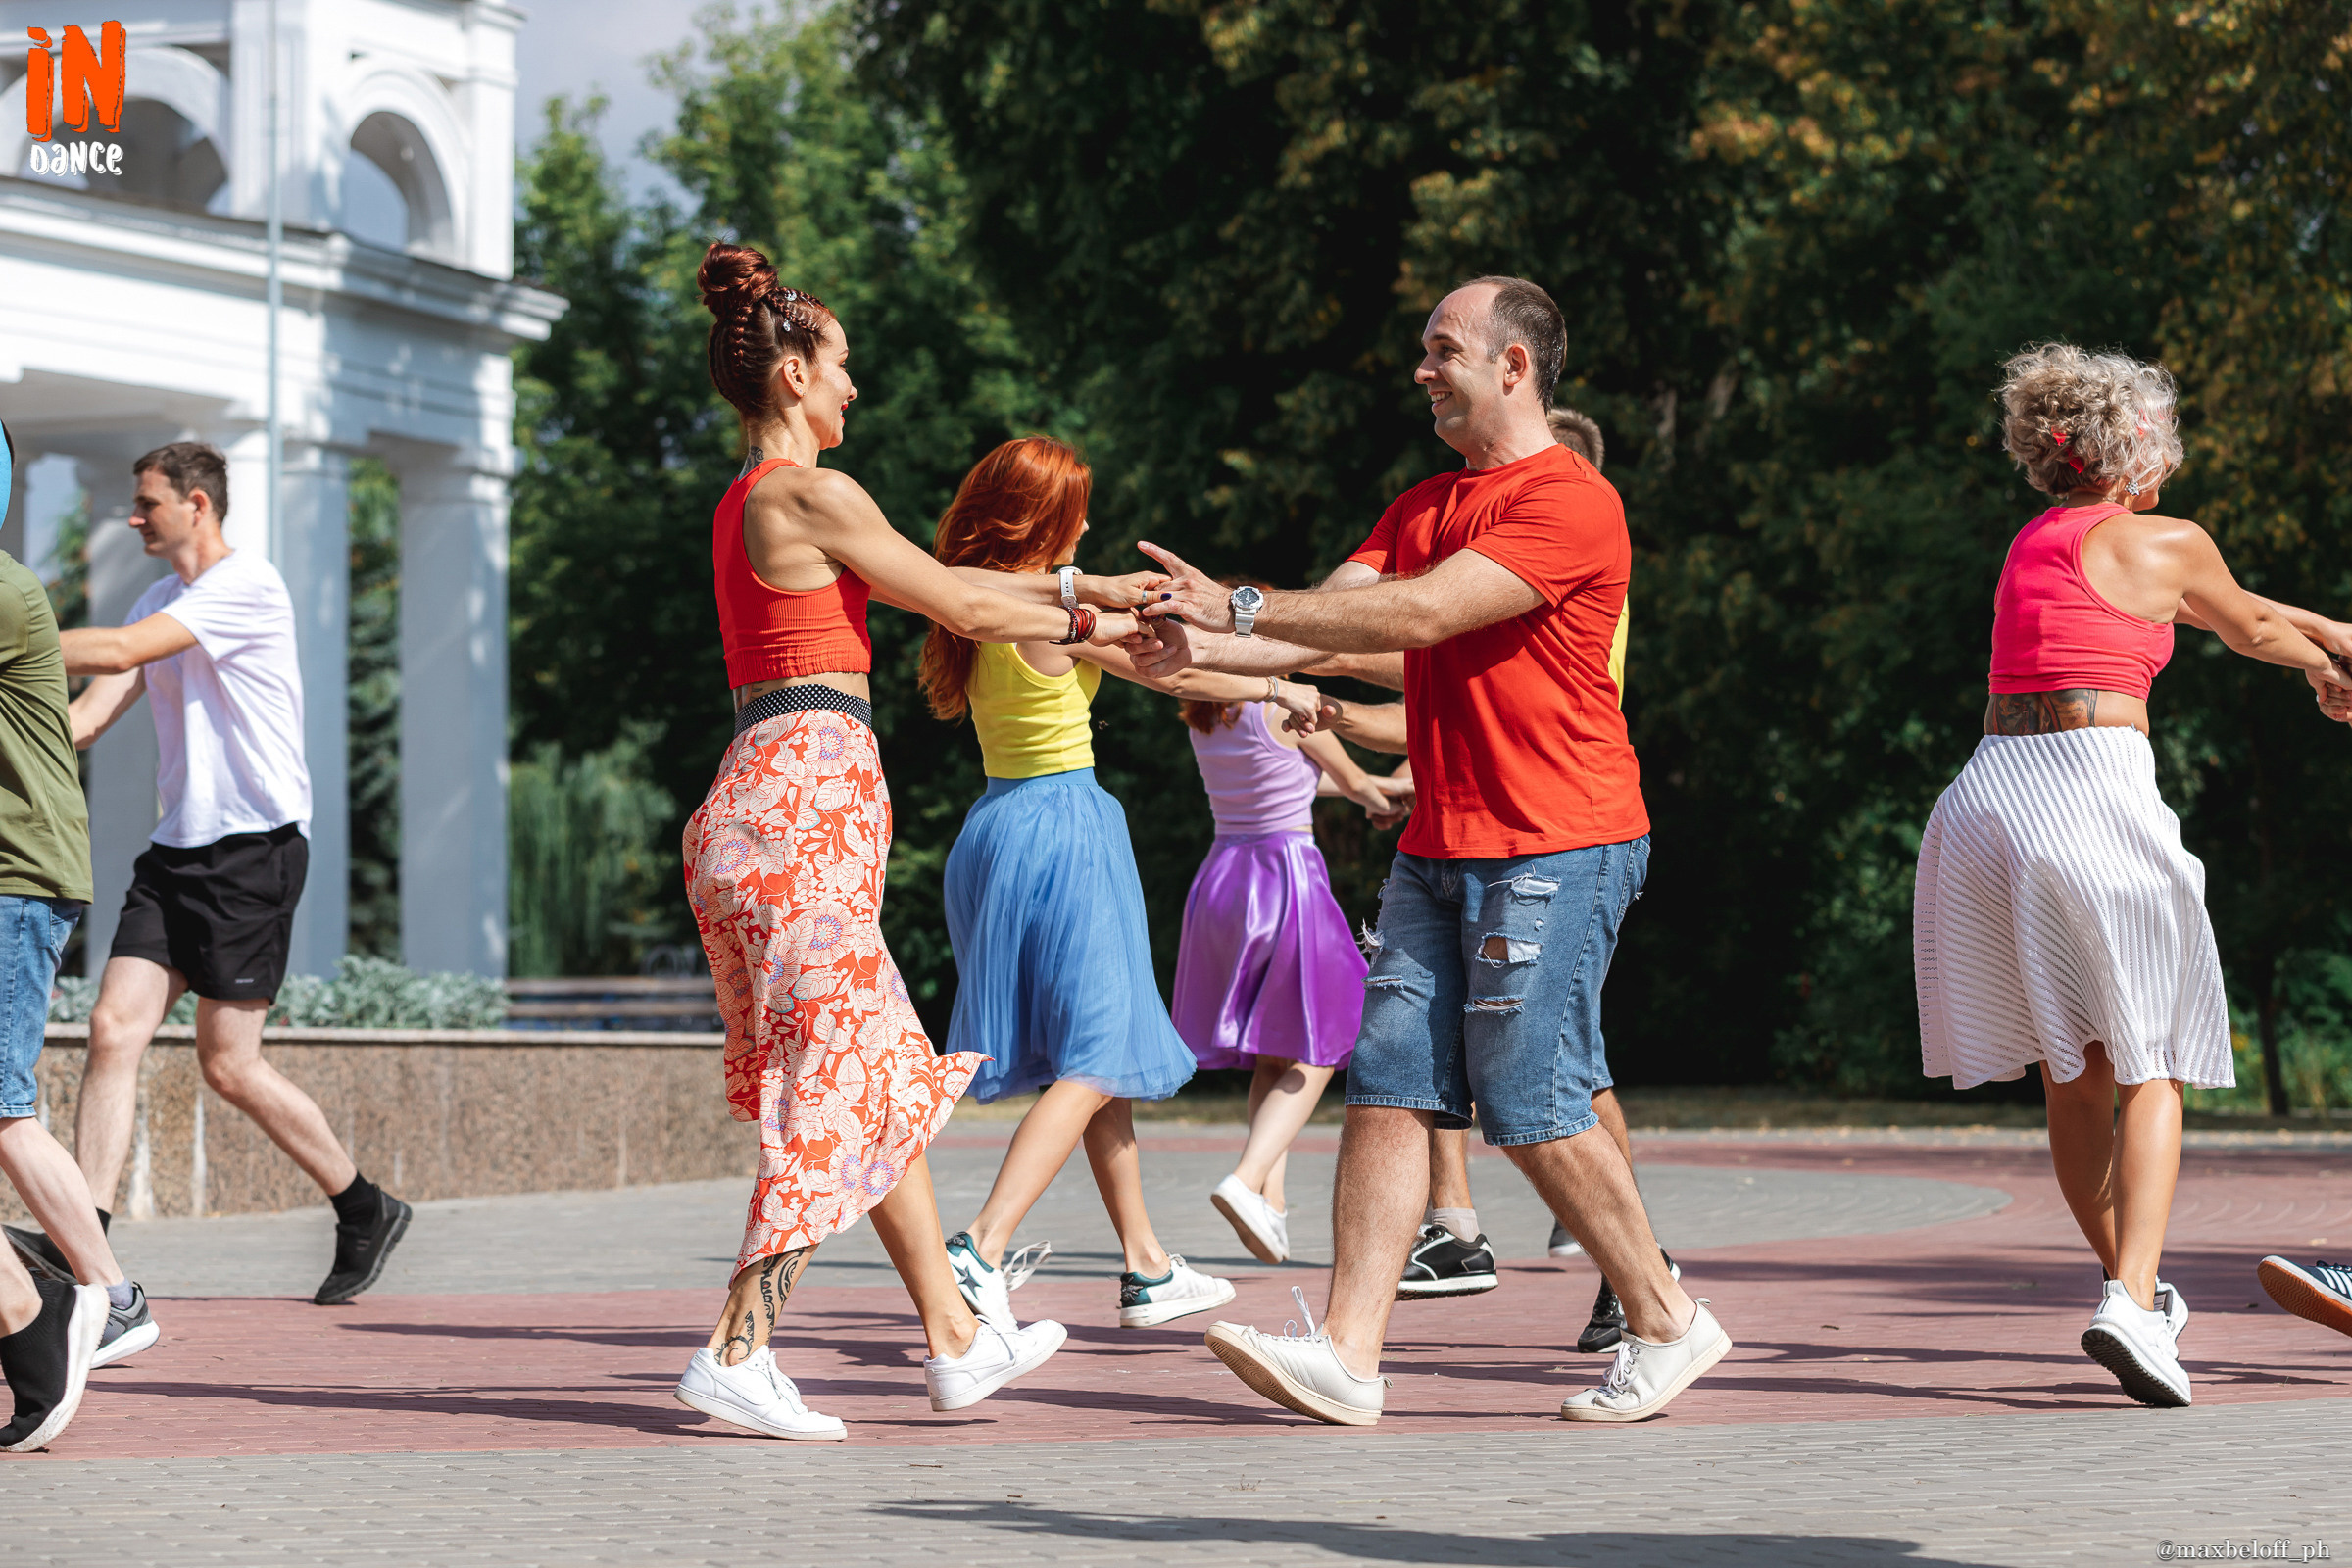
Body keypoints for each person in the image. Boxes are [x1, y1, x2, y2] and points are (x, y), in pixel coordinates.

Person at [1136, 275, 1727, 1425]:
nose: (1421, 369)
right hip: (1441, 841)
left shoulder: (1571, 501)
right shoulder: (1420, 504)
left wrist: (1237, 611)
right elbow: (1322, 629)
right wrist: (1182, 644)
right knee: (1390, 1080)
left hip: (1555, 840)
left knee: (1529, 1094)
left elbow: (1418, 616)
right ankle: (1348, 1354)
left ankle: (1665, 1316)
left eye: (1442, 349)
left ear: (1515, 365)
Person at [673, 247, 1152, 1440]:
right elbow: (967, 601)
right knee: (838, 1080)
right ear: (793, 373)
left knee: (881, 1077)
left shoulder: (745, 503)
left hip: (768, 802)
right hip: (801, 807)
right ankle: (736, 1350)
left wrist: (1088, 599)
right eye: (841, 367)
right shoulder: (806, 492)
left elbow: (962, 594)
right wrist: (1112, 597)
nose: (853, 388)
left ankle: (955, 1339)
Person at [1915, 342, 2352, 1409]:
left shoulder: (2037, 542)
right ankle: (2133, 1300)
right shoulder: (2170, 541)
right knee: (2154, 1060)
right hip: (2090, 790)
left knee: (2076, 1071)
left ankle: (2136, 1293)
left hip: (1988, 798)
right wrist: (2330, 667)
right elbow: (2247, 622)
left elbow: (2217, 605)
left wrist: (2336, 639)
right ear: (2136, 448)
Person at [920, 443, 1318, 1329]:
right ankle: (979, 1248)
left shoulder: (973, 604)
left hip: (997, 826)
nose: (1090, 526)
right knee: (1097, 1058)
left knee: (1092, 1058)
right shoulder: (1056, 616)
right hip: (1063, 830)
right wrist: (1278, 685)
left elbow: (1161, 661)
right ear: (1042, 521)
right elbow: (1178, 669)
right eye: (1077, 511)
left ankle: (1146, 1266)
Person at [25, 443, 409, 1309]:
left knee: (228, 1065)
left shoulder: (247, 587)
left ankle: (363, 1205)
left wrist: (18, 638)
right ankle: (87, 1241)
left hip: (253, 849)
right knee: (113, 1029)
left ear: (197, 504)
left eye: (148, 502)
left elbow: (120, 651)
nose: (134, 517)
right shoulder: (157, 598)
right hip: (176, 850)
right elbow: (86, 719)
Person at [1172, 587, 1401, 1265]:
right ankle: (1247, 1180)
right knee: (1331, 1038)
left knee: (1274, 1049)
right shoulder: (1285, 704)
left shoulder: (1205, 712)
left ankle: (1269, 1203)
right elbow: (1353, 781)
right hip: (1285, 878)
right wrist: (1386, 797)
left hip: (1224, 880)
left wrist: (1371, 789)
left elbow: (1292, 778)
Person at [0, 420, 117, 1451]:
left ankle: (74, 1306)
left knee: (2, 1111)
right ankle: (91, 1302)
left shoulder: (1, 588)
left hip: (13, 880)